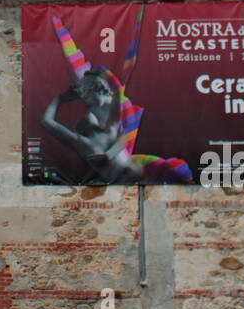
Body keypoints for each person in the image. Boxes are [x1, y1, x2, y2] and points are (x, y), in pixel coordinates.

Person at [39, 12, 191, 185]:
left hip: (128, 168)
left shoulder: (95, 134)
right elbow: (48, 123)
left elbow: (48, 121)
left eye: (101, 88)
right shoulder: (95, 136)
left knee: (167, 169)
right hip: (128, 170)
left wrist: (60, 98)